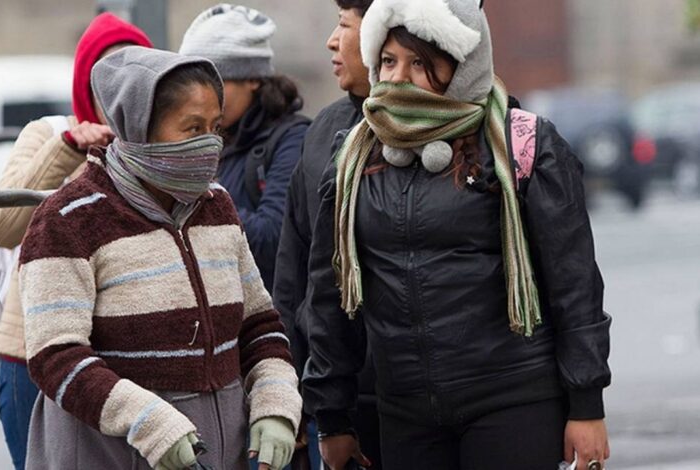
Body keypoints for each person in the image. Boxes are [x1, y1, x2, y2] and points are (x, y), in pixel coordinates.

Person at [302, 1, 612, 469]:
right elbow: (329, 295)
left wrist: (587, 405)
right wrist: (333, 416)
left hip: (512, 402)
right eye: (388, 61)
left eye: (420, 63)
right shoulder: (353, 159)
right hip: (405, 412)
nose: (398, 78)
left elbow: (575, 285)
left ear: (462, 69)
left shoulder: (522, 146)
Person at [18, 46, 301, 470]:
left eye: (215, 127)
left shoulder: (217, 207)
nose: (209, 144)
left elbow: (259, 325)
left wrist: (275, 404)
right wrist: (150, 424)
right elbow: (55, 356)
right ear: (140, 129)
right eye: (191, 129)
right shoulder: (68, 219)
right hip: (111, 452)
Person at [0, 13, 152, 469]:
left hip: (128, 360)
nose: (117, 92)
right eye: (104, 78)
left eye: (130, 76)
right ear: (83, 83)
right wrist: (70, 148)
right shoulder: (49, 134)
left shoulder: (159, 148)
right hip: (34, 358)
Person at [271, 1, 384, 468]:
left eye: (344, 26)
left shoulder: (450, 136)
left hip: (414, 397)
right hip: (336, 395)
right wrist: (288, 390)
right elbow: (294, 273)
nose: (331, 42)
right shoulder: (325, 132)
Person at [178, 4, 309, 292]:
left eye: (215, 84)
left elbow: (273, 239)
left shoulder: (293, 139)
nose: (201, 100)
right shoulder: (204, 137)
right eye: (191, 88)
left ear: (252, 78)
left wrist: (195, 187)